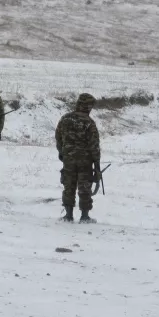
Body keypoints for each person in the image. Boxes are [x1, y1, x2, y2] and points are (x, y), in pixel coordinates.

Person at [55, 93, 101, 223]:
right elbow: (94, 145)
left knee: (68, 185)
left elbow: (58, 137)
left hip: (68, 159)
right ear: (87, 106)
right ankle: (84, 216)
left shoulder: (65, 119)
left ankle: (68, 215)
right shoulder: (89, 123)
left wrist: (62, 152)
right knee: (84, 187)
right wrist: (96, 163)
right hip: (84, 161)